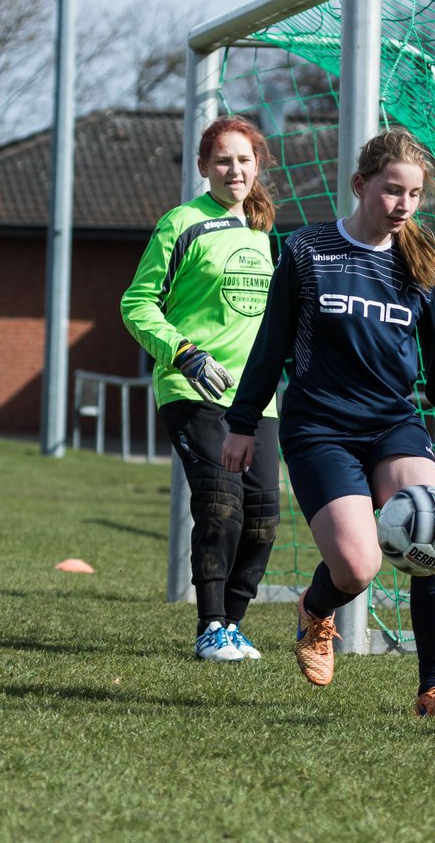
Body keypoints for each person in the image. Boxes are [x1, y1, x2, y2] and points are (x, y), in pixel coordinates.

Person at [222, 128, 435, 722]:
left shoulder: (424, 266)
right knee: (358, 567)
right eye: (392, 191)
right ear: (362, 185)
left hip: (394, 424)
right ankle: (317, 609)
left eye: (414, 195)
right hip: (319, 429)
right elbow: (271, 343)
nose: (403, 206)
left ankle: (433, 688)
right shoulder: (309, 250)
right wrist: (241, 422)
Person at [121, 115, 281, 662]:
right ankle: (210, 626)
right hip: (193, 390)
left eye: (244, 159)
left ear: (258, 165)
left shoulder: (264, 234)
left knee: (262, 518)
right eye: (222, 160)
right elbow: (136, 304)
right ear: (203, 167)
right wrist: (185, 354)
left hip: (255, 401)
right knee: (220, 505)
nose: (234, 169)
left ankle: (233, 626)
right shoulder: (182, 222)